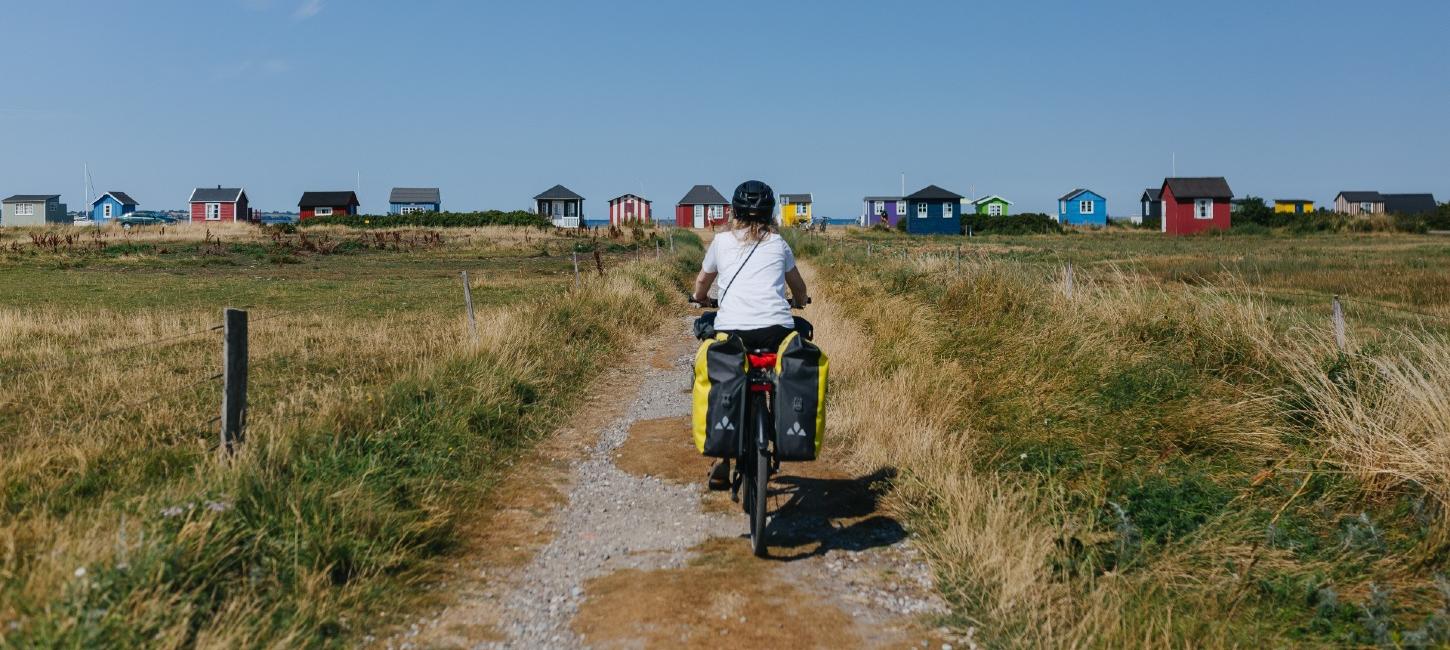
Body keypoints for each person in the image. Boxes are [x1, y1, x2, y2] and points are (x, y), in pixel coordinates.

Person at [692, 180, 808, 490]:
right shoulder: (779, 244)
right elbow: (799, 288)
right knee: (778, 373)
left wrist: (700, 298)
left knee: (725, 374)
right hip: (776, 331)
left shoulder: (721, 242)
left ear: (735, 211)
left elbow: (703, 282)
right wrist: (798, 302)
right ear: (769, 213)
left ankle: (724, 456)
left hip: (733, 331)